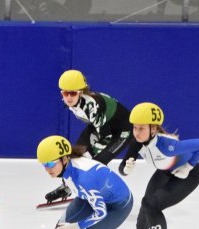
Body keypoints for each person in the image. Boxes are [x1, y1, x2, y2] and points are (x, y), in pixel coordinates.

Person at [115, 102, 199, 229]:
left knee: (152, 205)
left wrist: (189, 166)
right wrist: (125, 169)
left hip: (188, 175)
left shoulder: (167, 146)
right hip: (165, 171)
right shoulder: (136, 141)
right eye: (135, 127)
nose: (136, 133)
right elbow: (123, 167)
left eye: (141, 128)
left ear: (153, 128)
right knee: (146, 202)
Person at [44, 69, 133, 203]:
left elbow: (106, 136)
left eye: (72, 93)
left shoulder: (91, 106)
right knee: (73, 156)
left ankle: (102, 192)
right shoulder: (74, 102)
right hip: (102, 125)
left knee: (98, 161)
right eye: (65, 93)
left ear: (80, 92)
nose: (68, 97)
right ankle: (68, 187)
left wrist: (91, 154)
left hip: (122, 130)